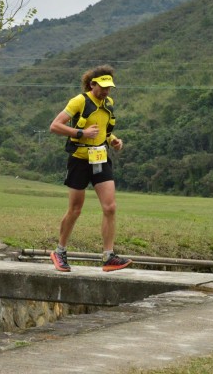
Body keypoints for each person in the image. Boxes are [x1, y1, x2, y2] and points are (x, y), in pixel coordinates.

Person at [49, 65, 132, 272]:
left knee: (110, 207)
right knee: (75, 209)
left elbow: (103, 131)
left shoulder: (109, 103)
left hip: (100, 158)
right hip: (79, 160)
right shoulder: (79, 101)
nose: (106, 91)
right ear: (92, 84)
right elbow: (55, 126)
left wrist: (114, 141)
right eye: (102, 87)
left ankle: (108, 256)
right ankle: (59, 251)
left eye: (109, 88)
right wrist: (81, 133)